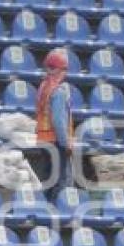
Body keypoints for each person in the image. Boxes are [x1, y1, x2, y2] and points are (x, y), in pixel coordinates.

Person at [32, 48, 74, 198]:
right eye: (64, 69)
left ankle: (43, 209)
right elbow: (58, 120)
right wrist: (66, 143)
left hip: (43, 140)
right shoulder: (59, 91)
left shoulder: (43, 87)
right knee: (62, 181)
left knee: (48, 179)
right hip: (56, 141)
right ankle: (59, 212)